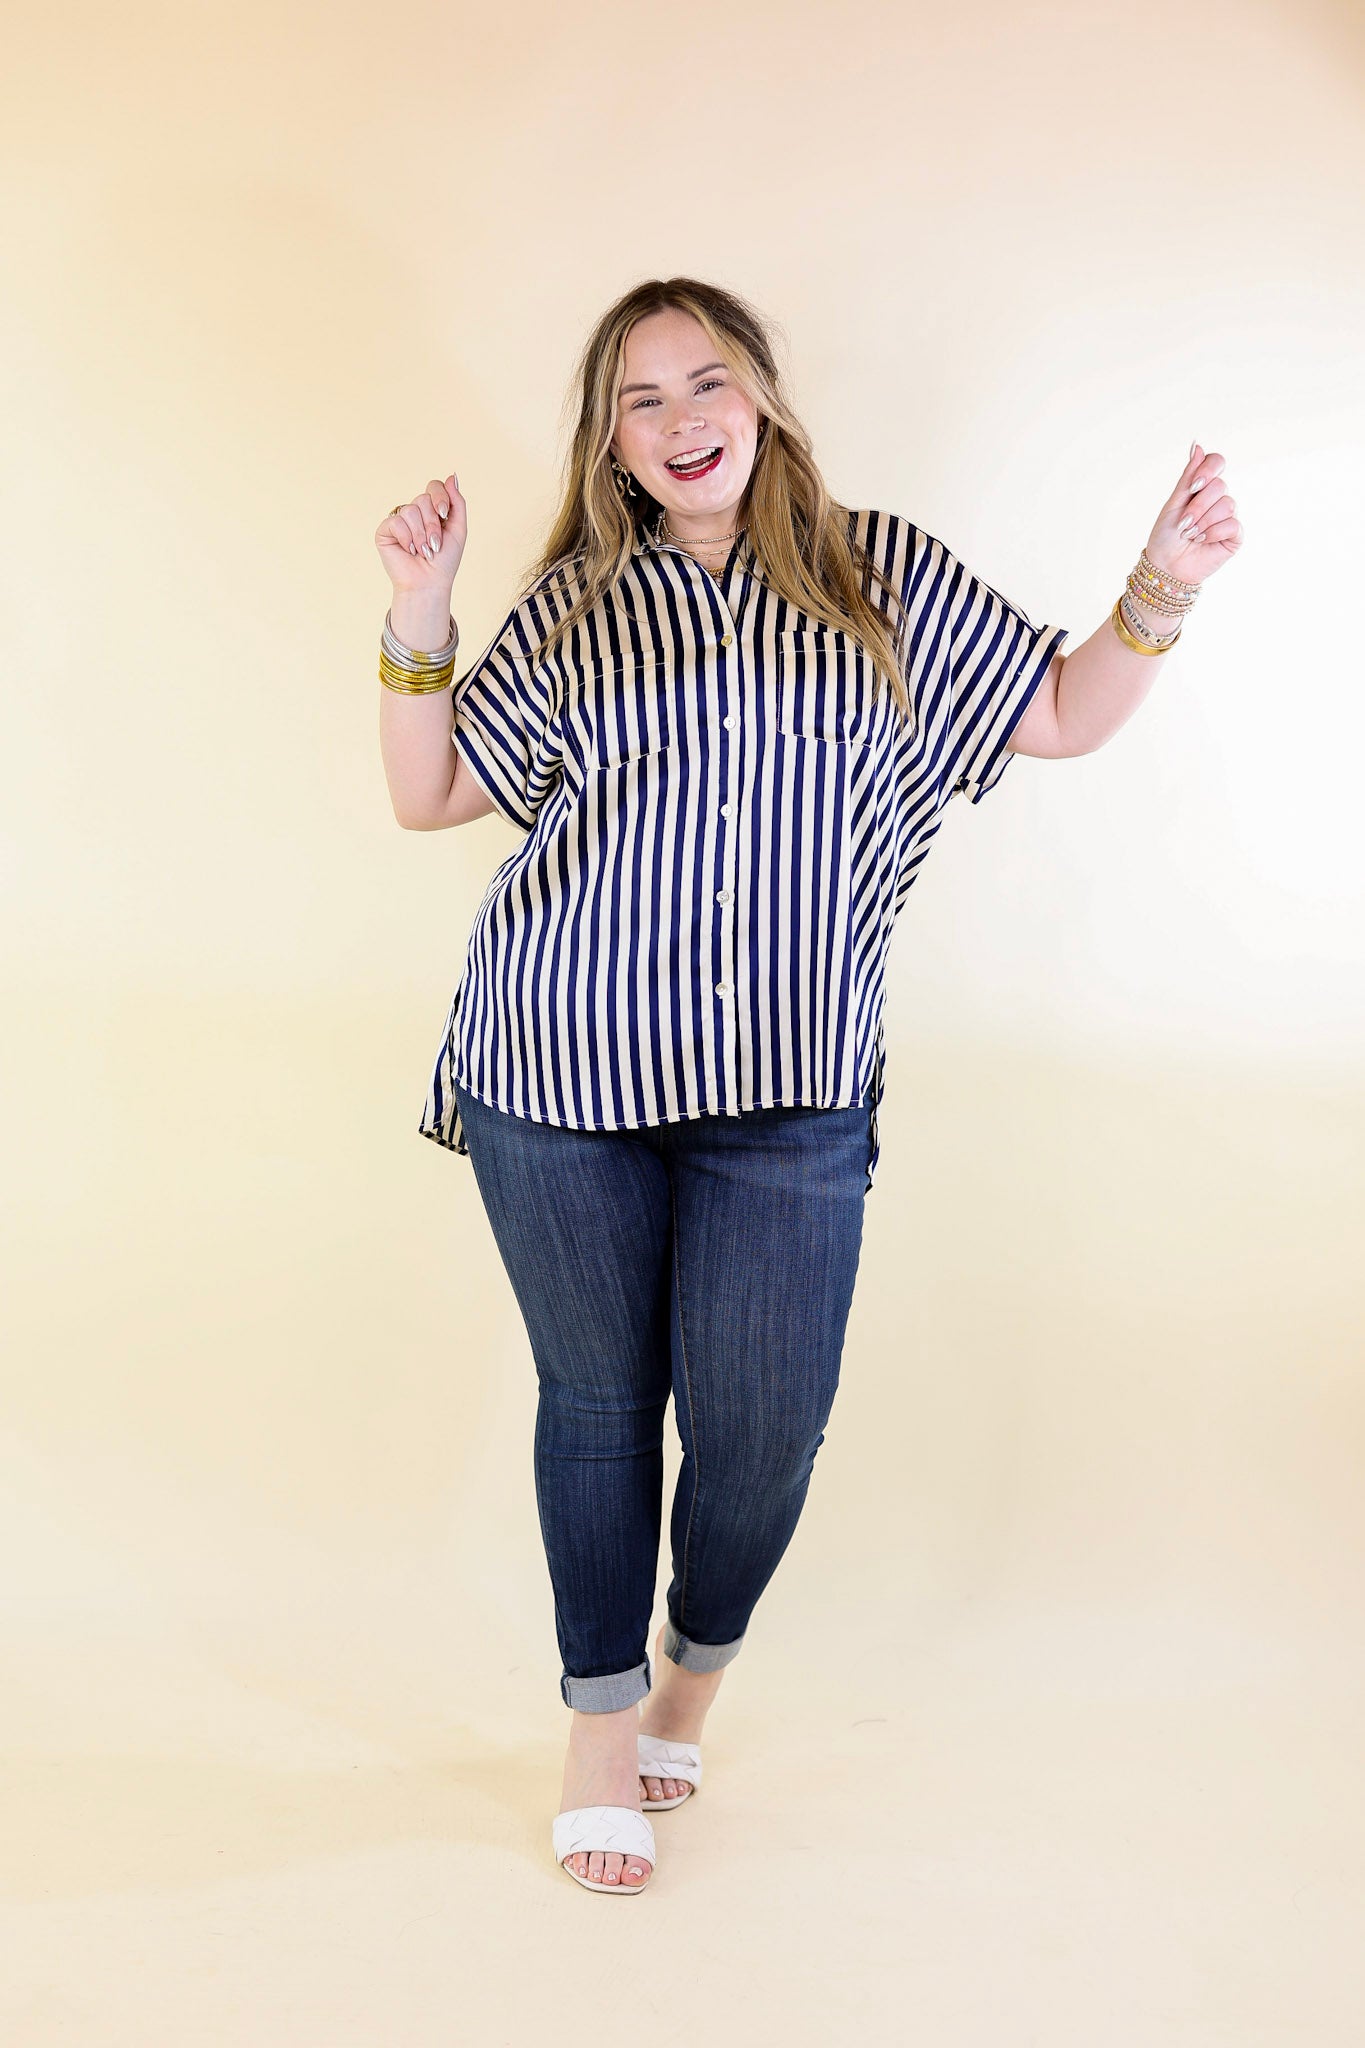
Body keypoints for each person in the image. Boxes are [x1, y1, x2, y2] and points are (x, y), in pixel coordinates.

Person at [374, 276, 1241, 1896]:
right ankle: (597, 1724)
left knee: (763, 1428)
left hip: (786, 1090)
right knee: (599, 1406)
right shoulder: (576, 604)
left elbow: (1053, 710)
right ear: (612, 444)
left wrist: (1161, 583)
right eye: (641, 401)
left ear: (760, 397)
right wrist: (419, 606)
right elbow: (430, 795)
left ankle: (690, 1676)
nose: (681, 419)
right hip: (555, 1068)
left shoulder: (879, 573)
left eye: (707, 382)